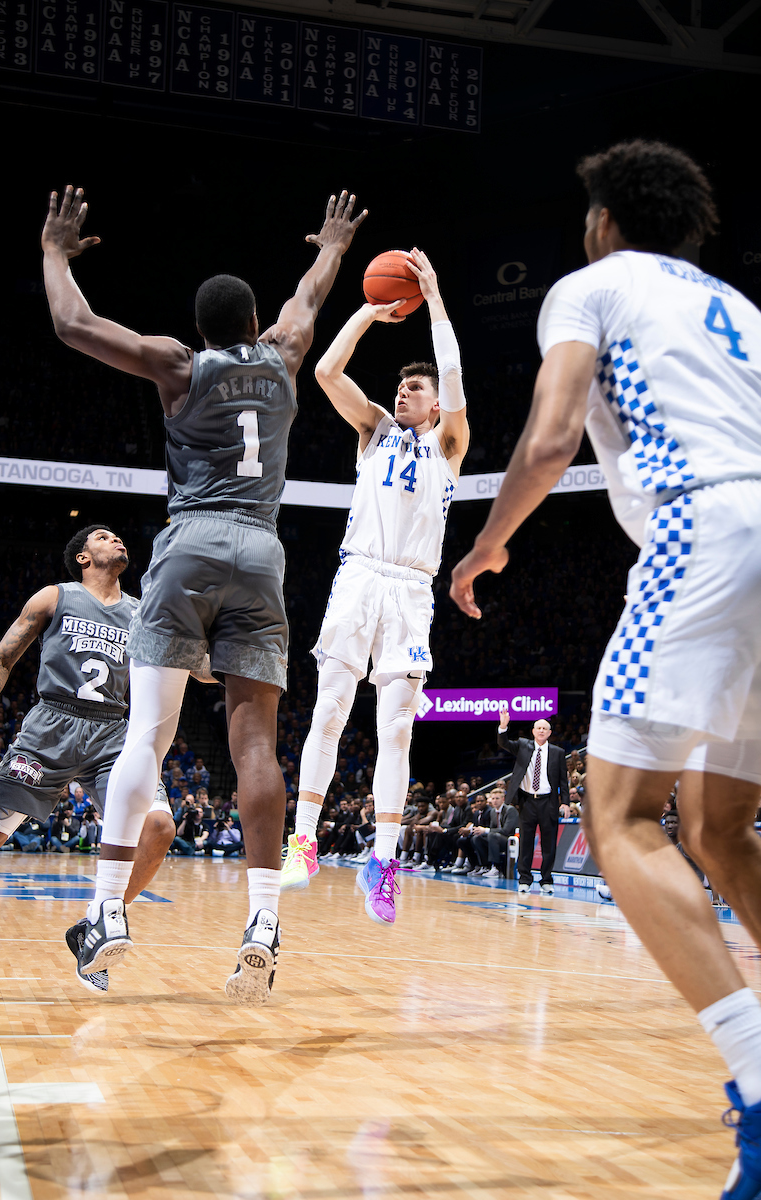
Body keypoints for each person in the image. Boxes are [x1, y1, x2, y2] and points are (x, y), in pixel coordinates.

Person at [449, 139, 761, 1197]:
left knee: (617, 815)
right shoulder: (737, 310)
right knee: (720, 829)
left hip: (699, 532)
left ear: (601, 220)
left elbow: (546, 443)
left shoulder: (590, 287)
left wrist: (490, 541)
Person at [41, 184, 366, 1003]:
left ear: (204, 331)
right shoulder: (287, 351)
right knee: (254, 745)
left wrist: (53, 252)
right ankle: (262, 922)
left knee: (147, 738)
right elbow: (310, 295)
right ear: (255, 326)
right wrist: (331, 242)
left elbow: (74, 327)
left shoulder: (181, 365)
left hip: (188, 544)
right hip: (262, 550)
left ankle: (109, 910)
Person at [280, 249, 470, 926]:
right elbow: (328, 371)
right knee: (330, 709)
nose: (403, 394)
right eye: (400, 388)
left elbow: (450, 373)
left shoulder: (448, 442)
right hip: (358, 575)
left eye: (414, 390)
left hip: (411, 592)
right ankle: (301, 841)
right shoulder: (374, 431)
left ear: (438, 404)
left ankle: (382, 863)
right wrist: (368, 310)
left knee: (395, 730)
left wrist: (436, 298)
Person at [0, 526, 174, 994]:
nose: (116, 540)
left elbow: (185, 665)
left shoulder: (141, 612)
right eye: (103, 536)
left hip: (113, 733)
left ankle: (95, 924)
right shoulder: (54, 597)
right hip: (51, 728)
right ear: (82, 556)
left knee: (159, 828)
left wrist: (228, 664)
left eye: (118, 536)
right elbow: (2, 657)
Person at [497, 710, 569, 895]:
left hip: (548, 802)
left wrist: (566, 802)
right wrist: (503, 726)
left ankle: (546, 880)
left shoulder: (558, 752)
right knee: (526, 843)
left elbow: (563, 781)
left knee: (548, 844)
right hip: (527, 801)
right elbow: (503, 743)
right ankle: (525, 880)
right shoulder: (523, 745)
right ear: (533, 731)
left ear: (550, 733)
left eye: (545, 728)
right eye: (539, 728)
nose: (542, 731)